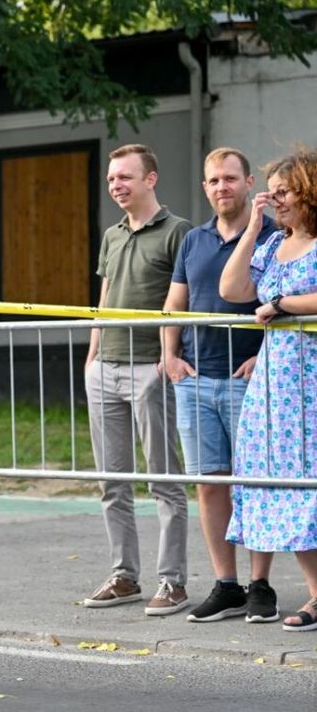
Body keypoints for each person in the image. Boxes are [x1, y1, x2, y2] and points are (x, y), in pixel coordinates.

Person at [162, 148, 279, 623]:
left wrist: (262, 357)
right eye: (213, 181)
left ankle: (260, 585)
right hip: (196, 381)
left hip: (247, 379)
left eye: (230, 179)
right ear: (205, 187)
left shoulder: (274, 237)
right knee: (210, 485)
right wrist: (169, 355)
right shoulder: (193, 240)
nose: (221, 187)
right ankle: (226, 585)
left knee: (254, 483)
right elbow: (174, 303)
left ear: (249, 183)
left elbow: (286, 303)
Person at [84, 144, 192, 616]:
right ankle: (124, 575)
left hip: (149, 367)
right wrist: (91, 357)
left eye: (125, 177)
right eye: (112, 179)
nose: (116, 186)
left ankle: (172, 583)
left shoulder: (178, 232)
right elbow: (103, 297)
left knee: (163, 479)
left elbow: (180, 301)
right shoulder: (112, 234)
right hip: (104, 367)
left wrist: (164, 359)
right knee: (112, 481)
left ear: (151, 179)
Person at [219, 146, 317, 632]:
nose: (275, 200)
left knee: (310, 483)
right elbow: (233, 290)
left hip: (310, 382)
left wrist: (283, 304)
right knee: (281, 482)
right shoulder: (274, 243)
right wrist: (253, 229)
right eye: (271, 192)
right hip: (275, 383)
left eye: (283, 192)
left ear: (309, 190)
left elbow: (285, 302)